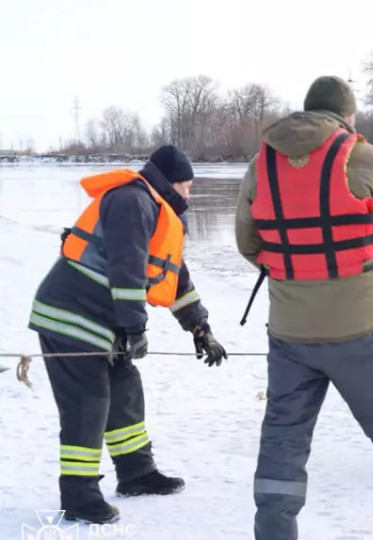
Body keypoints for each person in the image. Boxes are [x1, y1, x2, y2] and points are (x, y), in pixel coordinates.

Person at [236, 75, 373, 540]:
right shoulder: (364, 155)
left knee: (283, 437)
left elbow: (247, 241)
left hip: (289, 330)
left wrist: (288, 266)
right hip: (359, 328)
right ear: (347, 115)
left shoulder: (262, 164)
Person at [28, 144, 229, 524]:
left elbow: (175, 280)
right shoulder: (131, 202)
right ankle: (80, 498)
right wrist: (136, 328)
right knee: (89, 403)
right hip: (70, 316)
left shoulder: (157, 209)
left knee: (124, 392)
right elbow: (127, 271)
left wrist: (201, 328)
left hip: (105, 322)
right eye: (186, 186)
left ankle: (136, 473)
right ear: (170, 183)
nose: (189, 194)